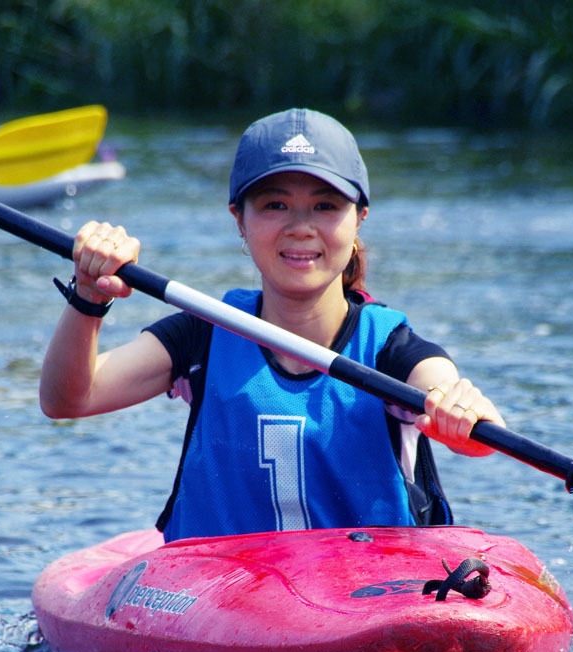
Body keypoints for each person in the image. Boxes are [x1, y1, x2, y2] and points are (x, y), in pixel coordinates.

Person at [40, 108, 504, 542]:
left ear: (359, 219)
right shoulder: (204, 333)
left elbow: (476, 425)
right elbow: (69, 398)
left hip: (370, 593)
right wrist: (89, 295)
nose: (300, 227)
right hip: (221, 593)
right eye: (274, 205)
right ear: (238, 220)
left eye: (325, 206)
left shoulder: (391, 349)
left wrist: (461, 414)